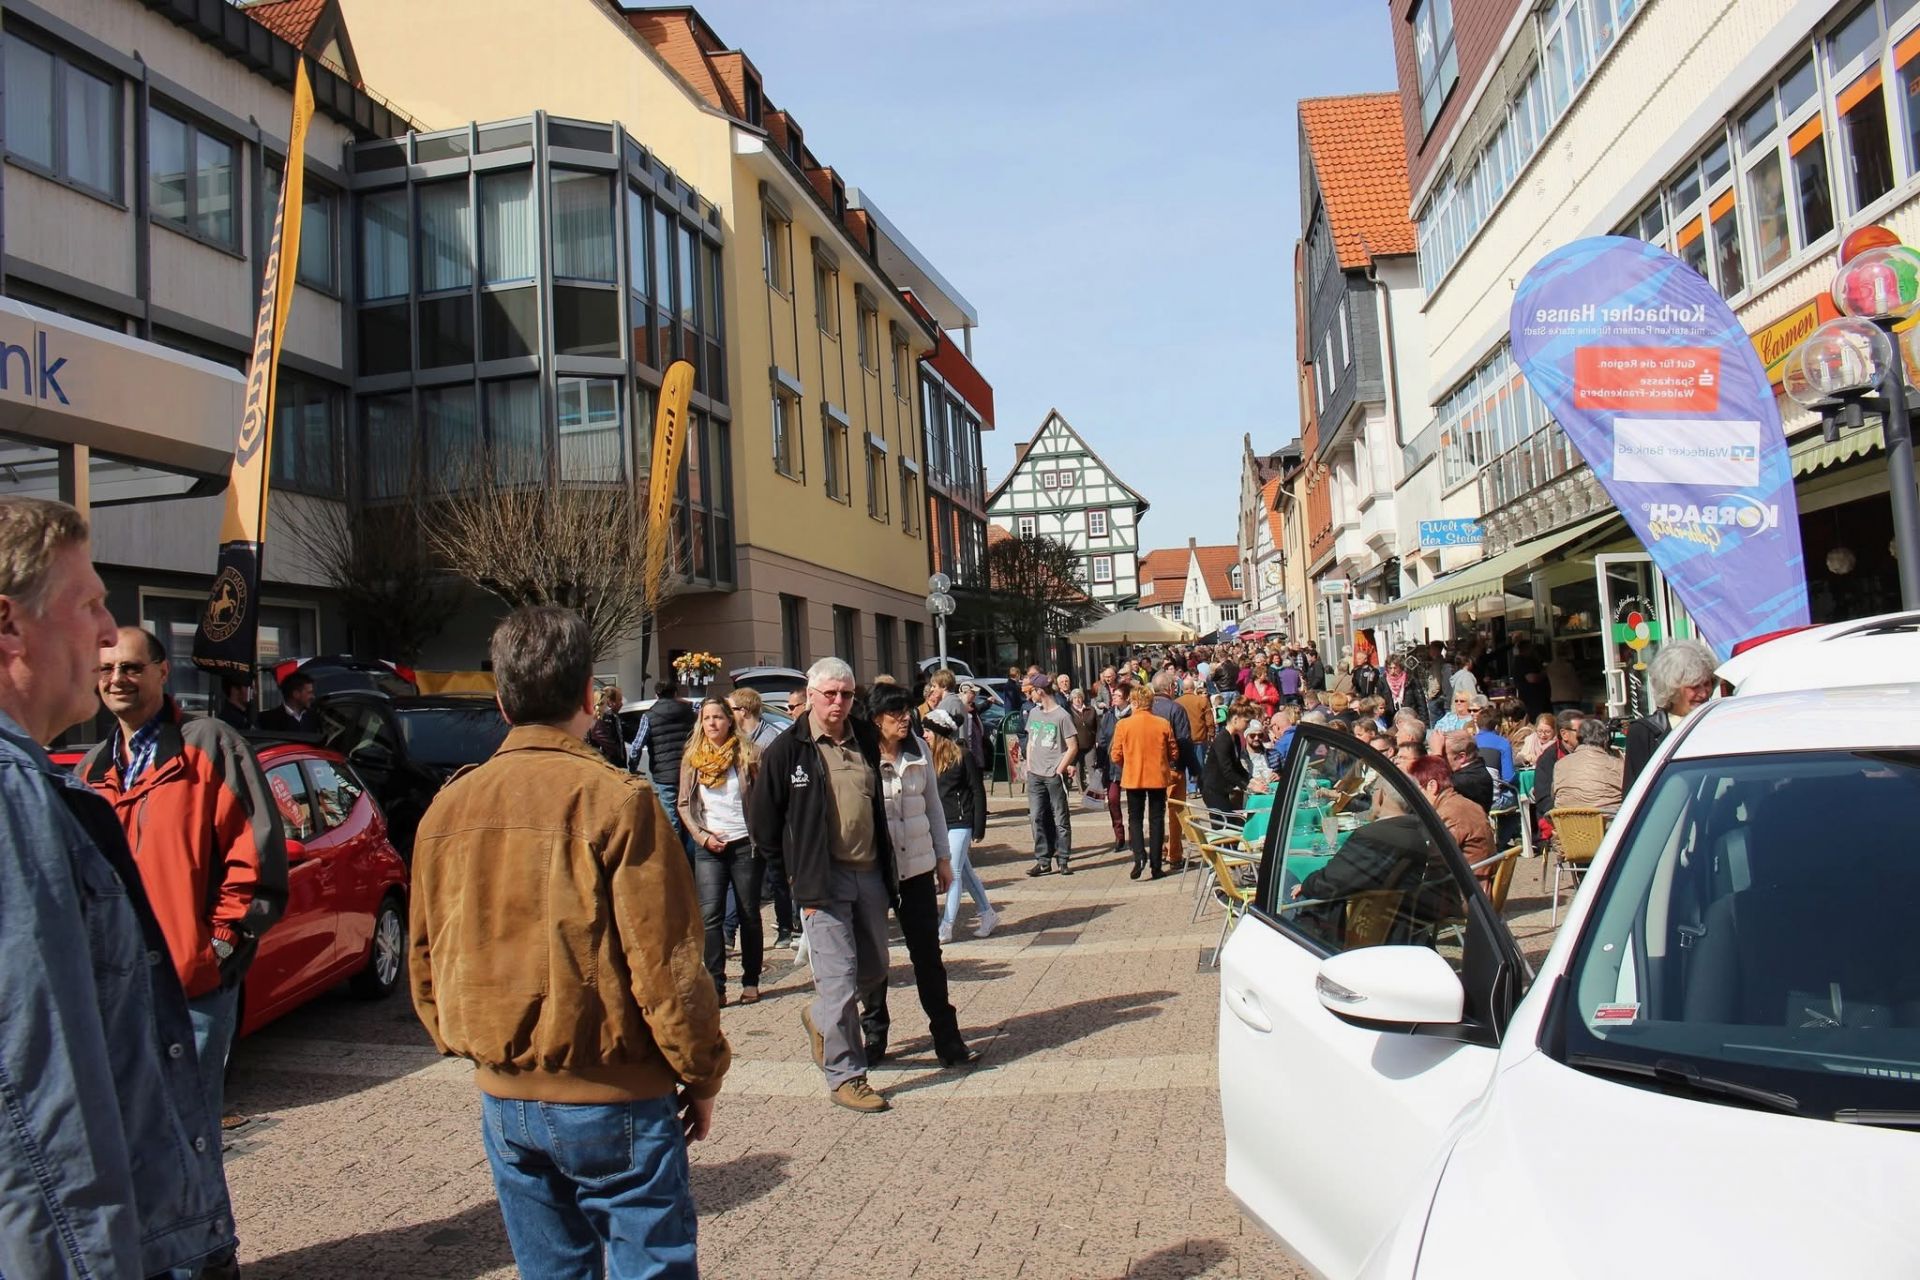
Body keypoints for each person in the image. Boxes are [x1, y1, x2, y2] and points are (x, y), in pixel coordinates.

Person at [410, 606, 729, 1274]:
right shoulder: (616, 799)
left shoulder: (447, 807)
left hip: (506, 1095)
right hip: (611, 1097)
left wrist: (476, 1042)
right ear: (589, 694)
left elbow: (426, 957)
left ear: (501, 701)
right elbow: (666, 962)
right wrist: (700, 1071)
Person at [0, 498, 232, 1280]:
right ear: (8, 626)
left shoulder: (53, 779)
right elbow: (39, 1109)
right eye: (91, 604)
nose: (108, 637)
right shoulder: (15, 794)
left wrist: (217, 948)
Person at [81, 626, 289, 1280]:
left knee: (188, 1132)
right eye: (108, 667)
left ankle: (206, 1261)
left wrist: (216, 949)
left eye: (133, 667)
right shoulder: (91, 770)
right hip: (117, 995)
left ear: (164, 673)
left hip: (191, 988)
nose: (119, 678)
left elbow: (254, 863)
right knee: (135, 1137)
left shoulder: (209, 746)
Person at [749, 657, 900, 1113]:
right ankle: (846, 1075)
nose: (838, 702)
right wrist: (795, 874)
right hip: (822, 881)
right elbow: (763, 825)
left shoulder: (866, 740)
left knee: (873, 972)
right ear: (810, 696)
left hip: (869, 872)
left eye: (846, 694)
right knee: (838, 982)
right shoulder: (786, 750)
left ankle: (816, 1019)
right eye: (830, 694)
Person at [858, 686, 977, 1068]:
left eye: (906, 710)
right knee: (874, 960)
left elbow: (934, 809)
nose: (905, 718)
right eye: (895, 713)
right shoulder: (861, 755)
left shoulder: (920, 750)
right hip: (875, 872)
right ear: (877, 719)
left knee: (928, 957)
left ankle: (948, 1039)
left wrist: (943, 858)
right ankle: (875, 1035)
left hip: (918, 869)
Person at [678, 696, 764, 1005]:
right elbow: (684, 804)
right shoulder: (692, 758)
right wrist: (702, 837)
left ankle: (751, 980)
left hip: (744, 843)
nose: (712, 723)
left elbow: (763, 798)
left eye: (718, 717)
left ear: (730, 720)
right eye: (706, 718)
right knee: (710, 915)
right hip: (709, 846)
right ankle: (715, 984)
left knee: (749, 914)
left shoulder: (748, 754)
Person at [925, 709, 996, 943]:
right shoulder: (928, 758)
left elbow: (977, 790)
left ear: (939, 734)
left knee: (953, 873)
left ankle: (946, 925)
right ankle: (987, 914)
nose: (924, 735)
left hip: (961, 821)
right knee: (964, 871)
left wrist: (979, 826)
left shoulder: (962, 755)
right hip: (941, 823)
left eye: (928, 731)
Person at [1623, 638, 1717, 792]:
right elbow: (1634, 794)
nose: (1704, 693)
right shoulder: (1645, 732)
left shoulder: (1717, 723)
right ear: (1672, 689)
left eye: (1707, 684)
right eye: (1694, 686)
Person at [1109, 683, 1178, 880]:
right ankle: (1156, 866)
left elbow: (1115, 755)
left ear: (1134, 702)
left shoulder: (1123, 725)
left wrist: (1128, 763)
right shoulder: (1162, 724)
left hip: (1134, 777)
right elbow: (1173, 751)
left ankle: (1139, 856)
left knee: (1135, 818)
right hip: (1157, 776)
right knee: (1157, 820)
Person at [1408, 754, 1496, 891]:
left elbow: (1437, 863)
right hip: (1478, 883)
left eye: (1416, 790)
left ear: (1432, 786)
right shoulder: (1468, 804)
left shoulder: (1449, 814)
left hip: (1465, 895)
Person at [1020, 676, 1078, 877]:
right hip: (1035, 774)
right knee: (1036, 816)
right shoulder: (1034, 713)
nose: (1030, 694)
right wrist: (1029, 765)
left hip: (1053, 774)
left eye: (1033, 690)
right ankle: (1043, 859)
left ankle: (1063, 858)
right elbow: (1030, 741)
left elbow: (1072, 747)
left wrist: (1059, 769)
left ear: (1041, 691)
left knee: (1060, 817)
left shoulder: (1062, 716)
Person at [631, 678, 696, 854]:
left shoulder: (649, 715)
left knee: (671, 817)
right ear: (675, 693)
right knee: (690, 815)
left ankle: (674, 856)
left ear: (656, 694)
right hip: (689, 771)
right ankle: (692, 859)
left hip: (663, 773)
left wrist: (632, 767)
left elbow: (636, 746)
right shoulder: (689, 712)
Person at [1552, 717, 1626, 811]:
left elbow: (1554, 795)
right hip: (1608, 821)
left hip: (1567, 821)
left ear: (1579, 738)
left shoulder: (1559, 764)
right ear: (1605, 740)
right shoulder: (1616, 764)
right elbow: (1630, 793)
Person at [1201, 699, 1256, 818]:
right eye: (1246, 721)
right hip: (1213, 790)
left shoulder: (1235, 738)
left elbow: (1237, 765)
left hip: (1223, 789)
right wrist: (1247, 785)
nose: (1248, 725)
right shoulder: (1222, 740)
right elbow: (1227, 770)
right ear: (1235, 719)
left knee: (1232, 820)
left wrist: (1251, 779)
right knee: (1224, 825)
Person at [1093, 680, 1131, 851]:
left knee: (1134, 803)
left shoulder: (1133, 716)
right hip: (1111, 765)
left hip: (1130, 765)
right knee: (1113, 800)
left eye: (1117, 695)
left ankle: (1134, 834)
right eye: (1113, 695)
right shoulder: (1108, 715)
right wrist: (1099, 763)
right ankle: (1119, 835)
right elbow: (1101, 739)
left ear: (1127, 699)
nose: (1114, 697)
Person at [1444, 728, 1496, 813]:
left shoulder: (1470, 778)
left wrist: (1437, 754)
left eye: (1444, 755)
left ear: (1461, 757)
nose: (1442, 759)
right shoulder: (1472, 772)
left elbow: (1436, 786)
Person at [1067, 686, 1099, 792]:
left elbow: (1098, 726)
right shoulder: (1069, 712)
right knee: (1078, 767)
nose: (1078, 699)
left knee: (1092, 767)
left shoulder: (1091, 710)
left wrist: (1097, 740)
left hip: (1090, 744)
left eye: (1079, 697)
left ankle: (1095, 789)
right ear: (1072, 699)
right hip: (1076, 745)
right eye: (1075, 698)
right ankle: (1082, 790)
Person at [586, 684, 626, 767]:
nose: (621, 703)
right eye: (603, 703)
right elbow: (603, 739)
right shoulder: (600, 719)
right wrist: (616, 753)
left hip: (612, 763)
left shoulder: (613, 717)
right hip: (606, 764)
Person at [1380, 654, 1427, 723]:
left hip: (1410, 717)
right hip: (1391, 718)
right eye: (1390, 668)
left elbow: (1421, 701)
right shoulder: (1383, 681)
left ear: (1400, 667)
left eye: (1395, 668)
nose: (1393, 671)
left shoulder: (1410, 680)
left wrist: (1423, 721)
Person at [1510, 636, 1549, 719]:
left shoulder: (1524, 660)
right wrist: (1545, 673)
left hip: (1534, 699)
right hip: (1532, 700)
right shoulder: (1522, 661)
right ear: (1525, 649)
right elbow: (1532, 678)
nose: (1533, 651)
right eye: (1531, 648)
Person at [1544, 646, 1583, 711]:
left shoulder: (1550, 666)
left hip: (1555, 699)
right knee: (1572, 721)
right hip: (1570, 699)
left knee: (1560, 720)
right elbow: (1575, 682)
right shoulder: (1569, 666)